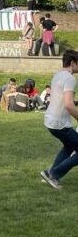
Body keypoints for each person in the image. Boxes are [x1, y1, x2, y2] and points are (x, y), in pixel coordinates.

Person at [40, 50, 78, 189]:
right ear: (73, 63)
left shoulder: (57, 75)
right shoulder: (70, 78)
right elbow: (68, 105)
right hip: (60, 123)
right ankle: (54, 173)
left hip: (51, 121)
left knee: (69, 146)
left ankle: (48, 173)